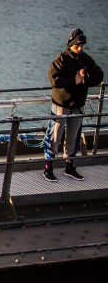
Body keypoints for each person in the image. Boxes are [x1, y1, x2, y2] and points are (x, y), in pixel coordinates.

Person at [43, 28, 103, 182]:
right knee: (55, 135)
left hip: (78, 104)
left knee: (73, 137)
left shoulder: (86, 59)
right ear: (70, 45)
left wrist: (85, 80)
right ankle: (48, 168)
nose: (80, 49)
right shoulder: (61, 59)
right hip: (61, 104)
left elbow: (99, 74)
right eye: (77, 46)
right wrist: (74, 81)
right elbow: (54, 80)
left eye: (82, 46)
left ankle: (69, 167)